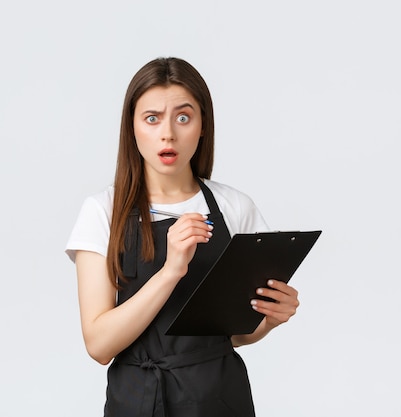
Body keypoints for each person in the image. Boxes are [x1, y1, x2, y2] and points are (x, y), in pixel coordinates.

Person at [65, 57, 300, 417]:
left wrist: (268, 318)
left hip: (220, 400)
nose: (168, 133)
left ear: (203, 125)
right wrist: (170, 271)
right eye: (152, 118)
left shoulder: (234, 206)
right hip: (138, 401)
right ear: (132, 127)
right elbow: (99, 345)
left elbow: (234, 336)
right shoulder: (102, 211)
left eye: (184, 117)